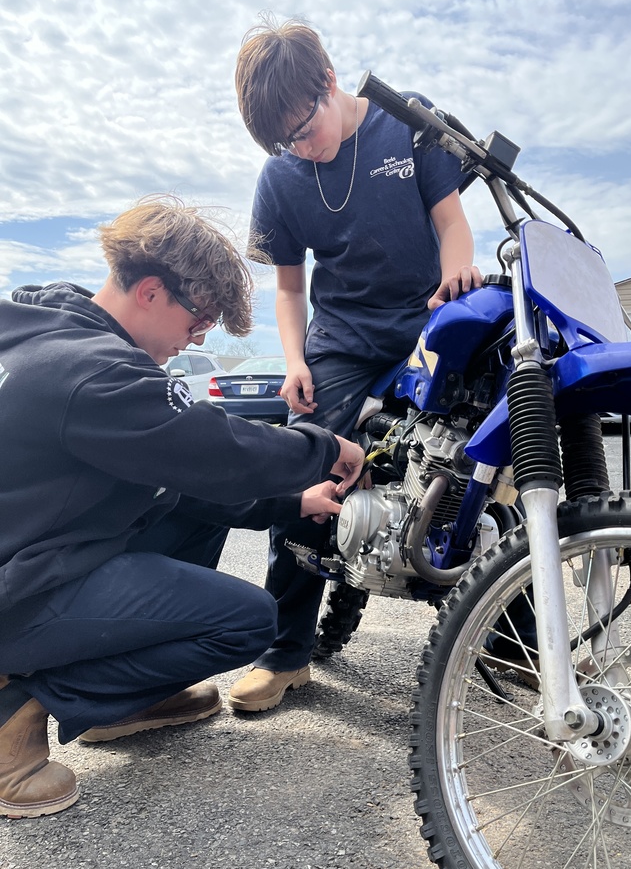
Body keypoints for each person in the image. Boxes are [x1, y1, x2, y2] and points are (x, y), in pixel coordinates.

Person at [0, 196, 364, 819]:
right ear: (149, 291)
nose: (196, 338)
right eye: (198, 322)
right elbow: (209, 449)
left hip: (35, 555)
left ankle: (124, 702)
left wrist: (287, 501)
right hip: (19, 592)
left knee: (189, 512)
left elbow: (176, 478)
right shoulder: (89, 373)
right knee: (248, 621)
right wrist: (321, 447)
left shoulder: (44, 331)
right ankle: (16, 715)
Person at [229, 17, 483, 713]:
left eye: (302, 129)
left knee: (482, 460)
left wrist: (458, 273)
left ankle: (507, 635)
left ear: (330, 81)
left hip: (425, 317)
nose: (300, 150)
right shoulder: (281, 175)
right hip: (341, 334)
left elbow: (453, 224)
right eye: (283, 141)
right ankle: (286, 653)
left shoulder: (406, 124)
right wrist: (293, 361)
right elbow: (289, 286)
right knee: (300, 457)